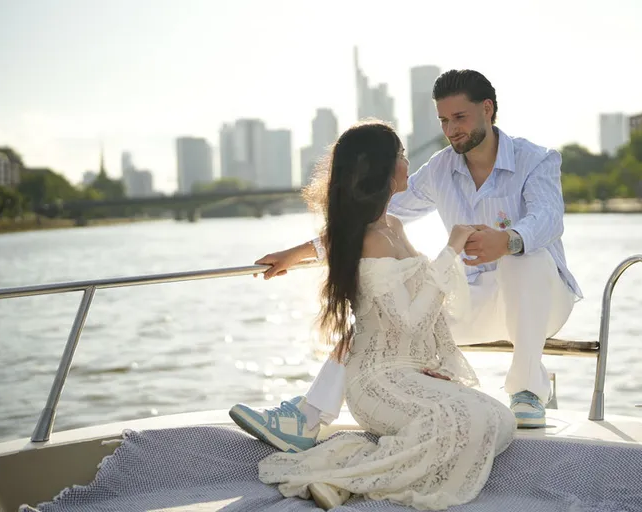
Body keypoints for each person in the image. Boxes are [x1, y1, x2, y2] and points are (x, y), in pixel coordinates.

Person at [233, 69, 583, 453]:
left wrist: (508, 240)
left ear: (487, 109)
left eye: (460, 117)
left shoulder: (537, 160)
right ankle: (307, 416)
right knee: (375, 315)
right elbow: (372, 217)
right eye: (444, 120)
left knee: (523, 258)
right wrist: (301, 252)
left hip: (540, 303)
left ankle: (527, 391)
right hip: (470, 302)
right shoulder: (440, 168)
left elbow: (548, 218)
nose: (451, 130)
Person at [236, 120, 515, 510]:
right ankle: (337, 473)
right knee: (465, 421)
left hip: (415, 372)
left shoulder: (392, 226)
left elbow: (340, 238)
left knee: (500, 420)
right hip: (376, 381)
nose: (407, 163)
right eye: (401, 155)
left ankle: (355, 469)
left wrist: (295, 253)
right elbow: (411, 321)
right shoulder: (372, 239)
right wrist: (451, 248)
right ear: (382, 169)